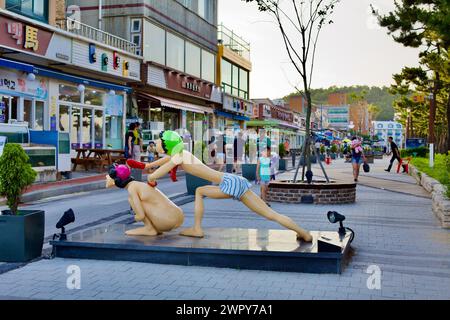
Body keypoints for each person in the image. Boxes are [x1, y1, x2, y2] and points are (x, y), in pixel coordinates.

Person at [129, 130, 312, 242]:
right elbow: (157, 164)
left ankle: (197, 229)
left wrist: (152, 177)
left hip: (228, 183)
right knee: (270, 214)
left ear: (167, 143)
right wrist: (146, 167)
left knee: (200, 191)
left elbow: (159, 171)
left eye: (160, 142)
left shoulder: (179, 156)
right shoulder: (180, 154)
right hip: (232, 180)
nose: (156, 144)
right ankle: (303, 233)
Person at [105, 164, 184, 236]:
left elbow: (141, 215)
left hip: (167, 220)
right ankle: (154, 228)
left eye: (108, 176)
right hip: (178, 216)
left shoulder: (132, 188)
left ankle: (149, 228)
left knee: (131, 200)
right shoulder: (138, 184)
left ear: (115, 180)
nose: (106, 177)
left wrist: (136, 217)